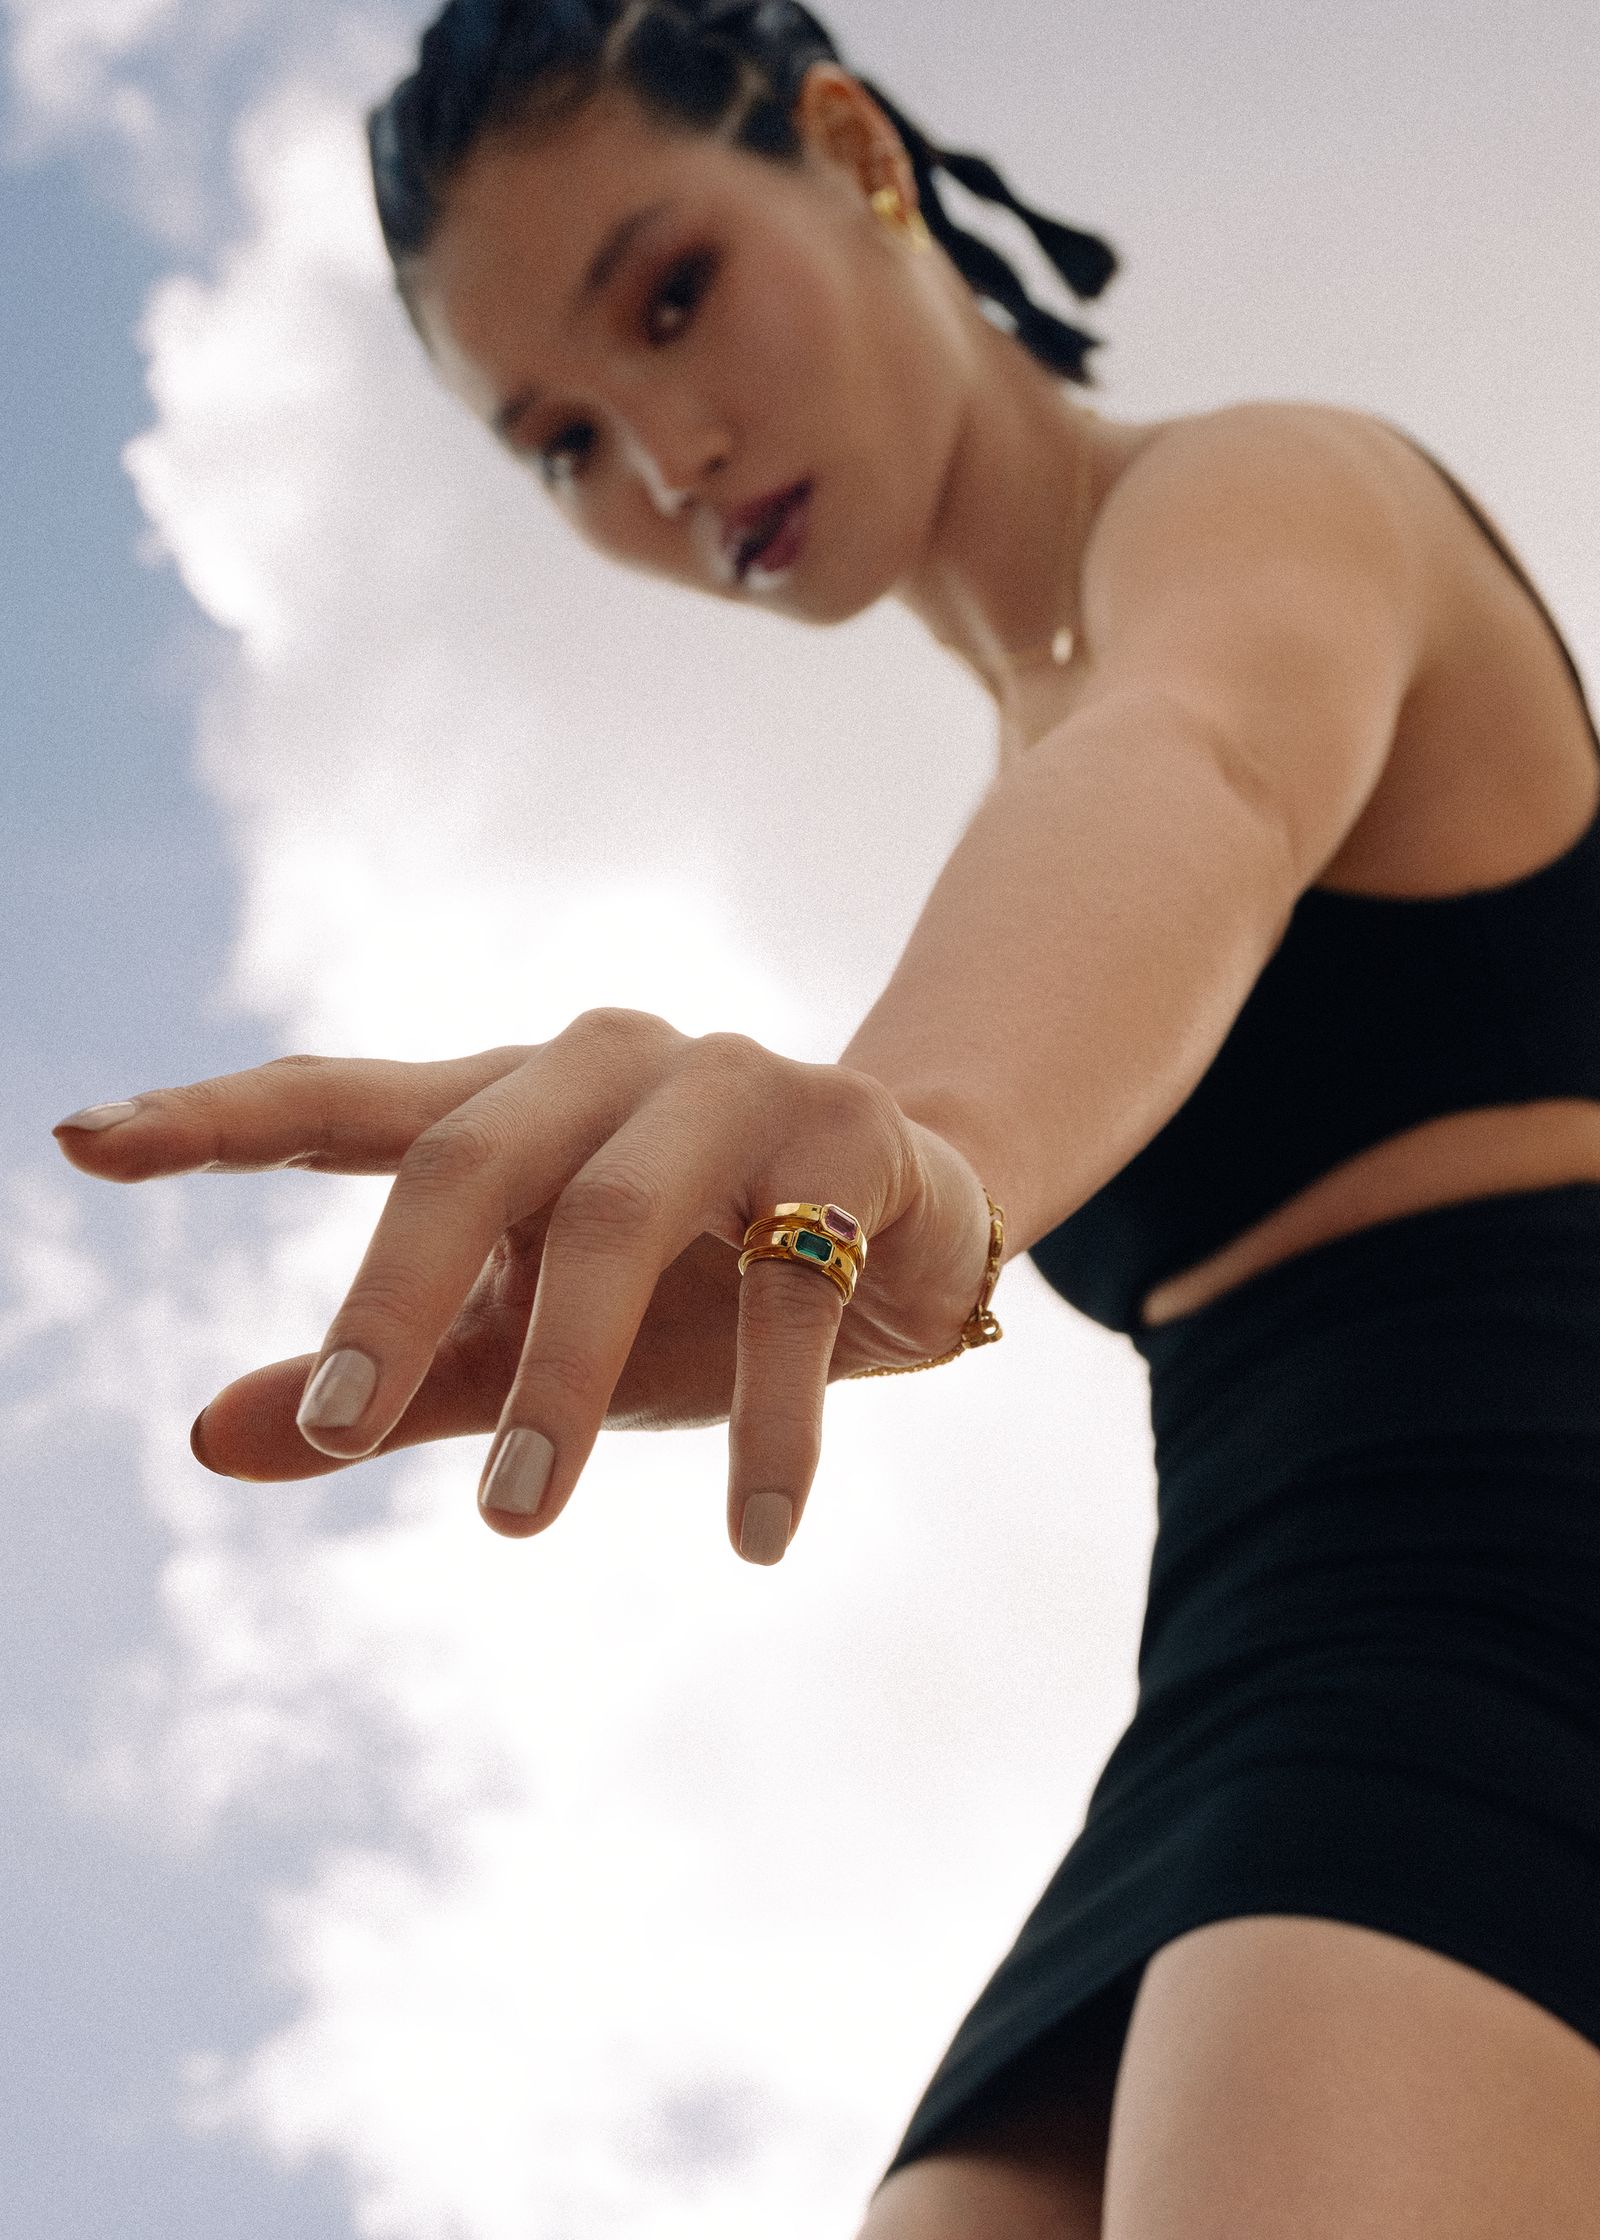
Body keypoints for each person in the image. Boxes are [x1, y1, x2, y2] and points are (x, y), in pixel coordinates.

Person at [52, 1, 1600, 2232]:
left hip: (1513, 1582)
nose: (664, 455)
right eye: (563, 442)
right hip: (1241, 1672)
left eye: (670, 297)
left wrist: (918, 1146)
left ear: (853, 152)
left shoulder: (1261, 495)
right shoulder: (1010, 785)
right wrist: (894, 1246)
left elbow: (1205, 766)